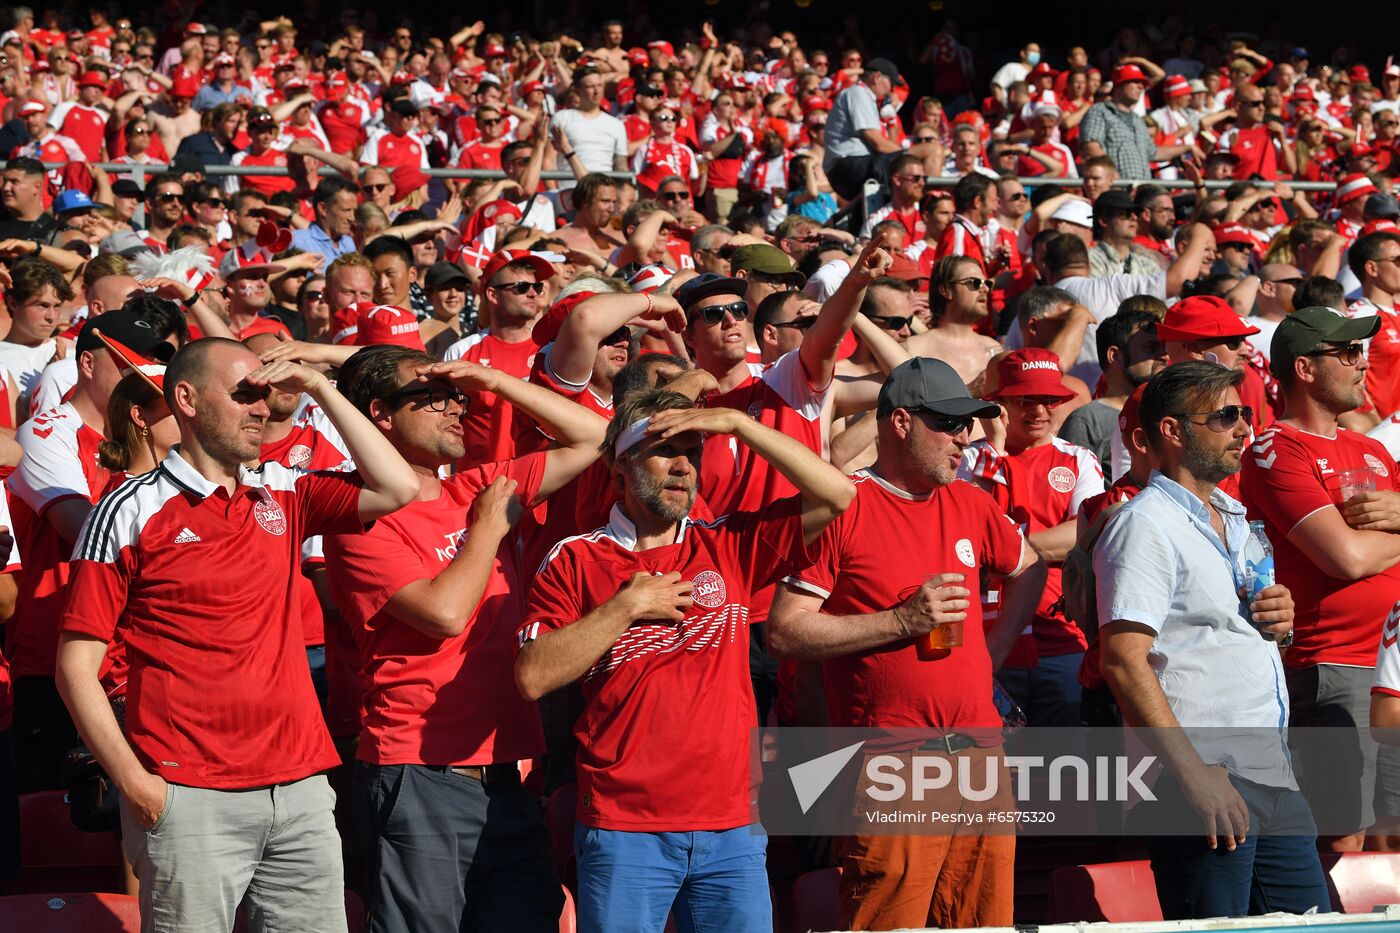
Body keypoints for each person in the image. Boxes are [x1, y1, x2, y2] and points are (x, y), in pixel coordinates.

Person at [55, 337, 419, 932]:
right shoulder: (128, 508)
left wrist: (322, 388)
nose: (262, 408)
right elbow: (77, 666)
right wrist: (137, 787)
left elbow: (398, 487)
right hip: (188, 793)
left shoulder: (283, 486)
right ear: (187, 399)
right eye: (244, 394)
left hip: (300, 787)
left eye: (266, 394)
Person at [515, 389, 855, 933]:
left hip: (732, 827)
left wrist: (737, 427)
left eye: (694, 452)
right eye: (664, 449)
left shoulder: (729, 544)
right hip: (625, 827)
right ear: (619, 465)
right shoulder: (575, 557)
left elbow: (837, 494)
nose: (682, 466)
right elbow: (533, 676)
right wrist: (627, 605)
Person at [328, 349, 609, 932]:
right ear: (379, 414)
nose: (456, 407)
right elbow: (444, 613)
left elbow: (596, 438)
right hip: (422, 771)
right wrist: (484, 531)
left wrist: (494, 380)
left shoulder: (477, 487)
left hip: (508, 771)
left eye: (456, 395)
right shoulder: (357, 516)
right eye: (431, 397)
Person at [768, 357, 1046, 931]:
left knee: (983, 923)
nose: (964, 439)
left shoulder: (970, 502)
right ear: (900, 423)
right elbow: (784, 629)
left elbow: (1030, 567)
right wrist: (900, 621)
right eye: (948, 424)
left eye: (968, 425)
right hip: (893, 763)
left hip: (978, 757)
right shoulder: (846, 504)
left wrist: (990, 654)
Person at [1096, 360, 1328, 920]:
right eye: (1225, 416)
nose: (1244, 429)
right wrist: (1193, 775)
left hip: (1271, 772)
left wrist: (1282, 626)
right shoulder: (1144, 524)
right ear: (1172, 431)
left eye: (1245, 414)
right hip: (1203, 778)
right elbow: (1123, 661)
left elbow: (1237, 643)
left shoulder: (1234, 516)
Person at [1240, 306, 1400, 850]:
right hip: (1335, 665)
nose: (1363, 364)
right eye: (1349, 353)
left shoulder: (1373, 449)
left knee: (1392, 837)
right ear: (1305, 369)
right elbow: (1348, 558)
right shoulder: (1274, 449)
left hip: (1391, 662)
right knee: (1345, 840)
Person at [7, 312, 172, 792]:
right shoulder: (47, 431)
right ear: (85, 363)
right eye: (128, 371)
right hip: (55, 657)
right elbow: (87, 534)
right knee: (64, 828)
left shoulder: (155, 443)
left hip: (134, 655)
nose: (139, 385)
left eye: (149, 376)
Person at [960, 349, 1105, 725]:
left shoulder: (1078, 460)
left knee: (1064, 770)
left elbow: (1083, 534)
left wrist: (1004, 554)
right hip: (985, 639)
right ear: (999, 403)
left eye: (1049, 399)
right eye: (1026, 399)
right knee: (994, 769)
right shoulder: (971, 459)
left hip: (1061, 637)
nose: (1040, 410)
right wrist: (992, 449)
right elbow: (961, 533)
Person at [443, 250, 551, 463]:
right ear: (492, 295)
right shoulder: (461, 352)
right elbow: (444, 422)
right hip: (475, 481)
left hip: (538, 481)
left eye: (536, 287)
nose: (532, 293)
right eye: (521, 287)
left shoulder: (549, 349)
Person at [1060, 307, 1164, 475]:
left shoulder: (1171, 412)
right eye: (1152, 347)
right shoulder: (1087, 421)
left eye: (1164, 346)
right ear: (1115, 356)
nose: (1164, 355)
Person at [905, 255, 1002, 392]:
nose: (985, 289)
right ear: (946, 290)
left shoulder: (994, 348)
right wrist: (969, 391)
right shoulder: (914, 349)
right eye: (974, 282)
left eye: (987, 284)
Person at [1081, 64, 1192, 179]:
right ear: (1119, 85)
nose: (1140, 87)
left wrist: (1187, 147)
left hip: (1141, 189)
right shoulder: (1100, 111)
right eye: (1135, 82)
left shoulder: (1138, 120)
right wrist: (1111, 176)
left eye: (1142, 84)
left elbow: (1154, 152)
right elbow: (1091, 147)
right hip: (1115, 188)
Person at [1347, 232, 1400, 419]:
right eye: (1397, 260)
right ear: (1372, 268)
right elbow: (1349, 378)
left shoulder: (1396, 311)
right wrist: (1378, 429)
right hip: (1389, 439)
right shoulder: (1360, 316)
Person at [551, 68, 628, 182]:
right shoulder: (562, 118)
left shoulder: (616, 124)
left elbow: (621, 166)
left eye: (599, 85)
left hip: (604, 191)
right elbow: (549, 160)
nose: (597, 91)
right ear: (578, 91)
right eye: (590, 87)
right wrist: (553, 191)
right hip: (569, 189)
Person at [290, 176, 357, 260]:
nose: (352, 218)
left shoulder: (348, 243)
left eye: (353, 211)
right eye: (346, 210)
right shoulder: (298, 241)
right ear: (323, 209)